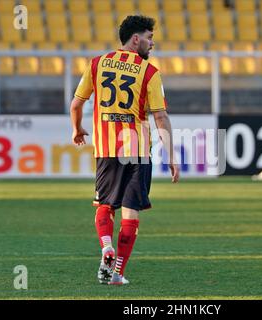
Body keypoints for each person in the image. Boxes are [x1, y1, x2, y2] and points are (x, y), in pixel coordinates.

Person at [70, 15, 179, 285]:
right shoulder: (150, 72)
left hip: (107, 149)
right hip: (138, 151)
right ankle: (117, 272)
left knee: (105, 205)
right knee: (131, 212)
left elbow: (76, 104)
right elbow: (160, 117)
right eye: (149, 37)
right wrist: (172, 155)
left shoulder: (96, 64)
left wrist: (77, 128)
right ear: (135, 39)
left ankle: (106, 245)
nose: (152, 43)